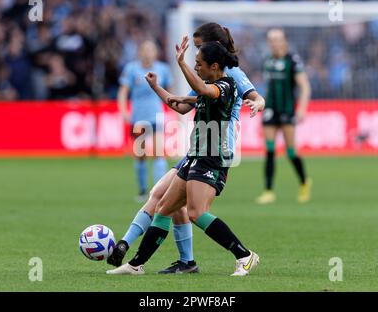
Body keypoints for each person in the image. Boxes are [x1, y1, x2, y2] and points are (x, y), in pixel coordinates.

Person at [107, 23, 265, 274]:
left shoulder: (227, 84)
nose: (195, 64)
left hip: (213, 155)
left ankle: (244, 255)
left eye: (199, 59)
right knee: (164, 207)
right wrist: (157, 87)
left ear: (214, 64)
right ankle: (136, 265)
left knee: (195, 213)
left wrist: (180, 63)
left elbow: (206, 92)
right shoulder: (207, 80)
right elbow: (183, 103)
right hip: (195, 154)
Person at [255, 29, 312, 204]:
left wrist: (301, 109)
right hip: (271, 108)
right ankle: (268, 190)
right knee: (270, 150)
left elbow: (305, 87)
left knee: (290, 151)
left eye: (277, 39)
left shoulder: (292, 61)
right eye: (271, 40)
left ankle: (304, 182)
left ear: (284, 41)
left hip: (287, 110)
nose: (274, 43)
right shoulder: (268, 61)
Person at [117, 40, 172, 202]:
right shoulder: (132, 69)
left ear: (155, 52)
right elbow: (123, 91)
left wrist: (176, 110)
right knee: (140, 155)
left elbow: (171, 92)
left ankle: (159, 191)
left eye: (150, 49)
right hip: (138, 118)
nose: (147, 53)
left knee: (158, 153)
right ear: (140, 52)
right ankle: (142, 191)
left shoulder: (163, 69)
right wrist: (123, 110)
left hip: (156, 115)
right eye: (145, 49)